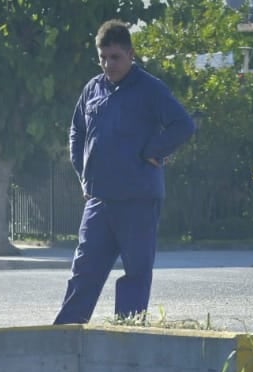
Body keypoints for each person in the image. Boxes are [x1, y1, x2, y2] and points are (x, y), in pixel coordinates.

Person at [54, 20, 195, 325]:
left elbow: (183, 125)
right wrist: (84, 174)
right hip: (99, 200)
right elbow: (77, 131)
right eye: (103, 57)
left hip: (138, 199)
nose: (108, 64)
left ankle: (127, 336)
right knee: (83, 273)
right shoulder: (92, 88)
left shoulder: (150, 89)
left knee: (136, 274)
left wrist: (154, 151)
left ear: (131, 54)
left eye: (115, 57)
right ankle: (64, 335)